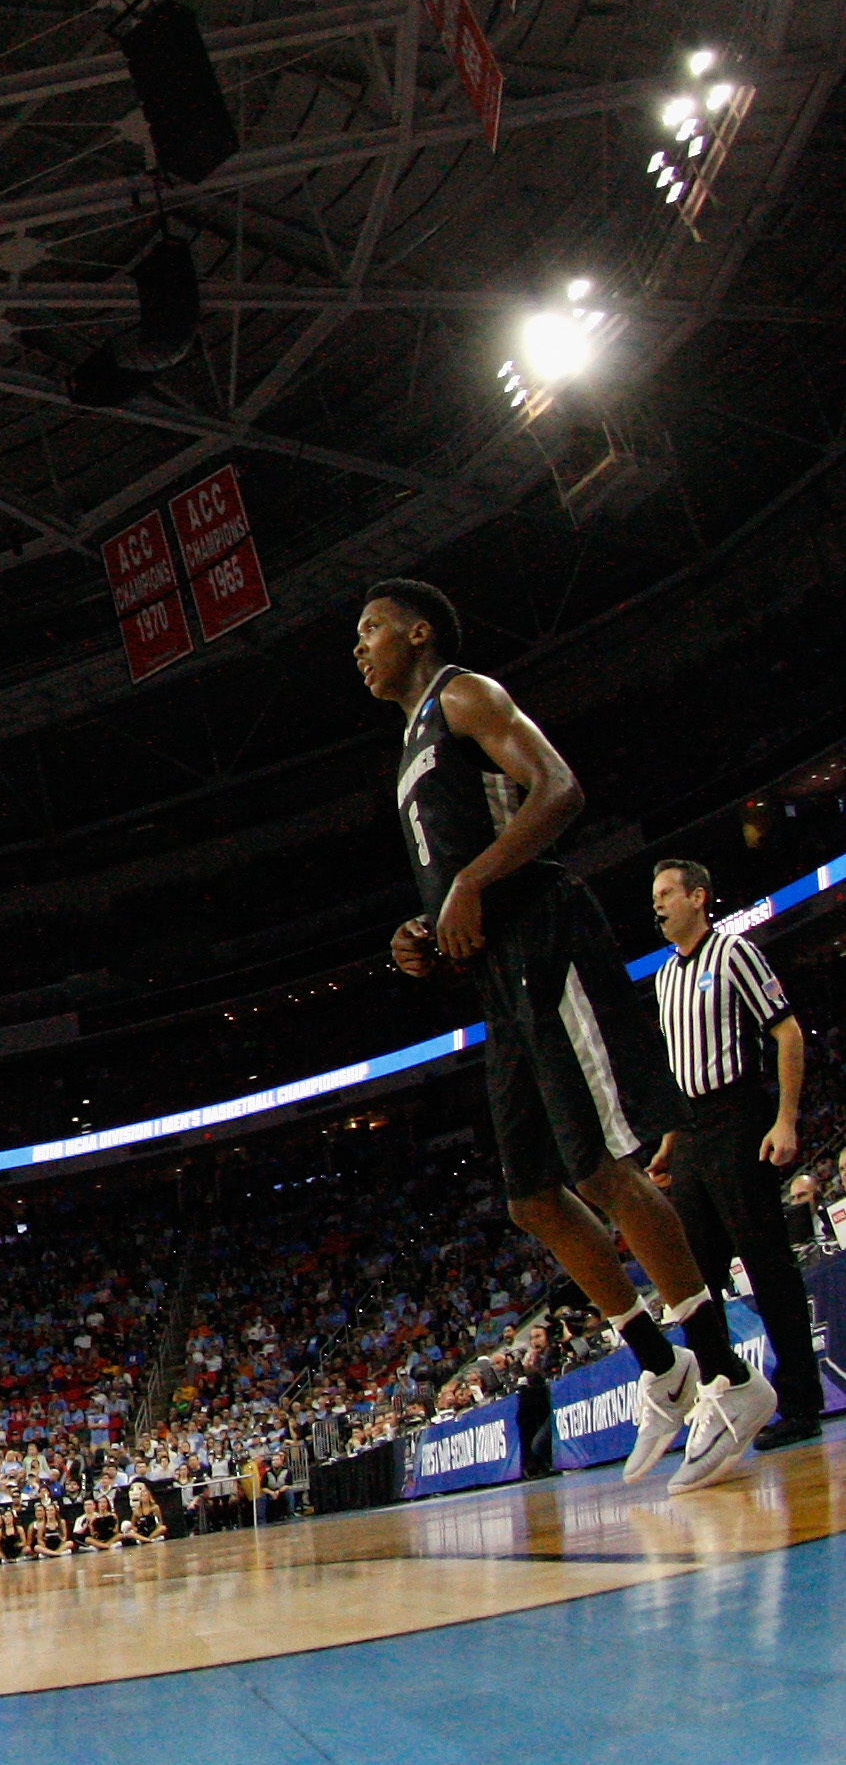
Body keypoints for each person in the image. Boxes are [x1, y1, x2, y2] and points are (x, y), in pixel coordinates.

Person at [359, 584, 766, 1489]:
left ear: (419, 632)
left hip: (548, 935)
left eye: (372, 629)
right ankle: (661, 1365)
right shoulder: (408, 743)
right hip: (498, 973)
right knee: (532, 1195)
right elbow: (463, 867)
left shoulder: (463, 694)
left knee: (604, 1167)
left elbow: (561, 790)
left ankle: (730, 1375)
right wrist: (425, 931)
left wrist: (469, 884)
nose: (361, 647)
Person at [642, 858, 820, 1454]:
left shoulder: (735, 952)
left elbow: (787, 1032)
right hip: (690, 1133)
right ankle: (726, 1397)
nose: (659, 904)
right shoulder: (664, 978)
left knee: (766, 1264)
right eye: (655, 896)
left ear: (699, 897)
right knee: (695, 1280)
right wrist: (669, 1140)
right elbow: (673, 1070)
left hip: (740, 1116)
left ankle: (799, 1401)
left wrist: (785, 1119)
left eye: (668, 893)